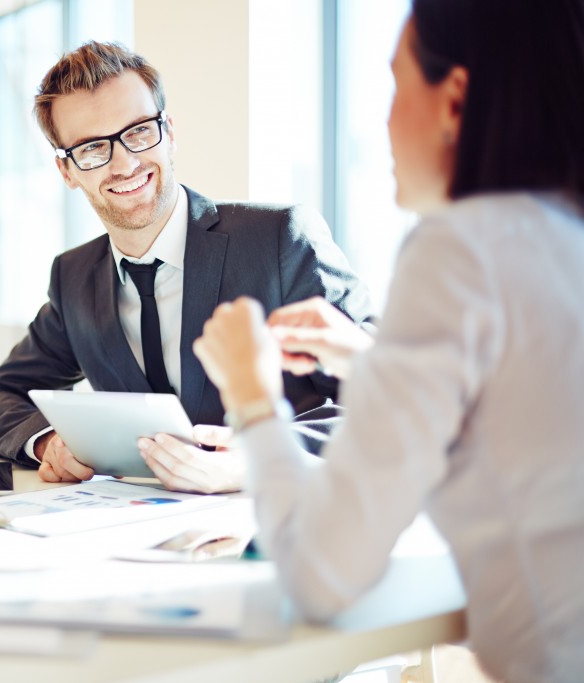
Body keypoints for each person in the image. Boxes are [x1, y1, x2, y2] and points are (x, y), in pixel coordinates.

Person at [179, 0, 584, 680]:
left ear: (455, 101)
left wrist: (251, 396)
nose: (385, 118)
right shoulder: (557, 239)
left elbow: (321, 573)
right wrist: (372, 360)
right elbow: (532, 397)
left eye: (396, 85)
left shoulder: (459, 251)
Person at [0, 41, 374, 493]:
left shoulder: (280, 239)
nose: (124, 163)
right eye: (91, 148)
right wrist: (48, 443)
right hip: (136, 536)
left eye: (139, 132)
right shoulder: (74, 278)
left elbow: (386, 389)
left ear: (170, 132)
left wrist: (266, 456)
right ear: (68, 172)